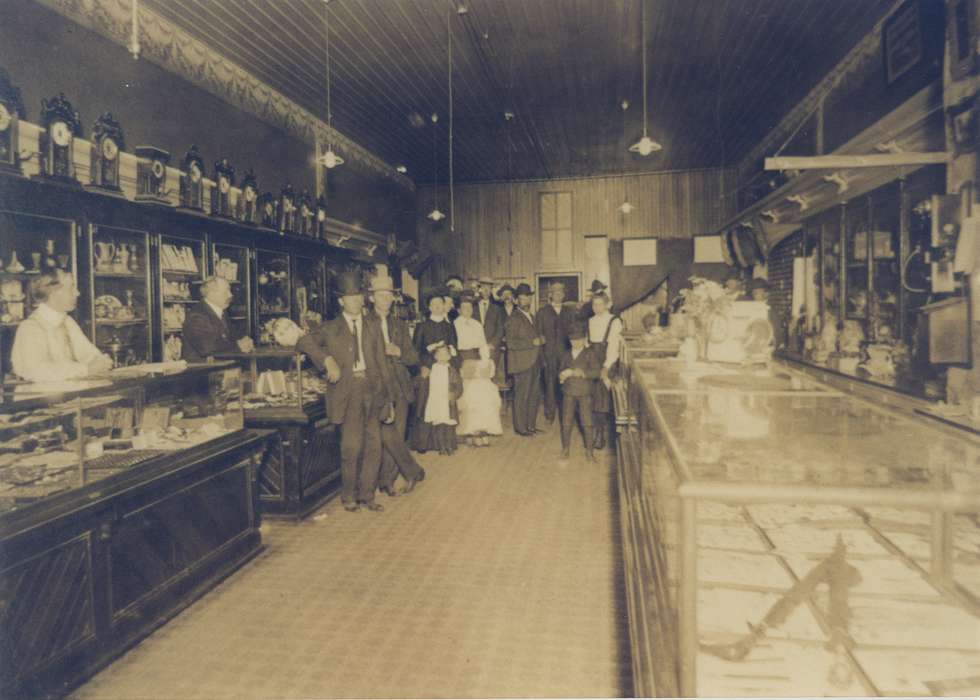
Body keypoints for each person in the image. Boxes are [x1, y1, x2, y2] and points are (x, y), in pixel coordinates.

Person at [297, 271, 393, 513]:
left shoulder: (372, 324)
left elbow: (382, 362)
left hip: (373, 390)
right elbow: (304, 342)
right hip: (347, 393)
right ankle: (348, 495)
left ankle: (367, 495)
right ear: (341, 301)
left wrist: (387, 398)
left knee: (374, 446)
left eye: (359, 296)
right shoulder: (329, 328)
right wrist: (326, 359)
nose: (358, 301)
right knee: (351, 446)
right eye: (351, 297)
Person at [368, 274, 426, 497]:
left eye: (388, 296)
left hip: (400, 386)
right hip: (377, 386)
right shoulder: (365, 323)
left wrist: (399, 351)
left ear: (393, 299)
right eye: (380, 295)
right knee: (385, 434)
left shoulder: (399, 325)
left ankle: (386, 482)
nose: (385, 299)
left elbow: (413, 357)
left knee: (397, 433)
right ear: (372, 298)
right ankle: (413, 471)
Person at [10, 269, 113, 382]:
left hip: (69, 394)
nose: (77, 293)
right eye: (71, 287)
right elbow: (36, 370)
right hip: (40, 397)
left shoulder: (68, 321)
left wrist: (102, 361)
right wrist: (85, 369)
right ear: (53, 292)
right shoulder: (30, 328)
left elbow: (89, 354)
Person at [411, 289, 458, 452]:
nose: (438, 307)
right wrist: (422, 366)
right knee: (425, 405)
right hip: (428, 371)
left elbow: (454, 348)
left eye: (440, 304)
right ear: (429, 307)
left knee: (445, 405)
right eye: (434, 304)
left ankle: (443, 444)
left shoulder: (449, 326)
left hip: (444, 371)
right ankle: (423, 443)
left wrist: (450, 360)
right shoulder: (422, 326)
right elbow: (415, 351)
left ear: (444, 306)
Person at [182, 276, 254, 361]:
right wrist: (238, 345)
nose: (230, 295)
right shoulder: (197, 316)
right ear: (212, 293)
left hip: (221, 368)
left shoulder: (222, 313)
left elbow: (230, 337)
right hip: (202, 371)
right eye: (226, 291)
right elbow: (207, 347)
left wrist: (244, 340)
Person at [505, 282, 545, 436]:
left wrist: (540, 339)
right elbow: (510, 342)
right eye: (522, 298)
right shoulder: (513, 318)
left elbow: (534, 338)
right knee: (522, 395)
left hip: (534, 362)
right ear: (516, 301)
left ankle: (531, 426)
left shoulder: (531, 317)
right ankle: (521, 428)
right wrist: (532, 342)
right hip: (521, 363)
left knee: (534, 395)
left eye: (528, 298)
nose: (526, 301)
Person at [558, 322, 601, 462]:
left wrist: (581, 373)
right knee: (566, 422)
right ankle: (565, 450)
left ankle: (589, 452)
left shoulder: (590, 354)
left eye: (578, 340)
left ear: (584, 340)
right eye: (572, 340)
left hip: (584, 393)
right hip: (568, 393)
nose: (575, 342)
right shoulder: (565, 354)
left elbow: (596, 372)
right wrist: (561, 376)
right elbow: (560, 370)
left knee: (587, 422)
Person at [535, 281, 576, 424]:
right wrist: (542, 357)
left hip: (565, 355)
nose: (558, 295)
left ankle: (566, 414)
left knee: (566, 384)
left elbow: (574, 334)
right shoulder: (542, 312)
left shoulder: (570, 312)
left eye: (561, 293)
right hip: (549, 355)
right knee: (550, 385)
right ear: (550, 295)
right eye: (555, 293)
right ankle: (550, 413)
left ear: (563, 295)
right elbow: (538, 335)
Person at [588, 290, 623, 450]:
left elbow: (614, 347)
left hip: (608, 361)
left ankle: (604, 435)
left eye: (600, 304)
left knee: (605, 399)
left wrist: (606, 367)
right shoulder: (591, 321)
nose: (597, 307)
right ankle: (598, 432)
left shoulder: (614, 321)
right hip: (593, 362)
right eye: (594, 304)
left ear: (608, 304)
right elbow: (590, 344)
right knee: (594, 399)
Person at [419, 342, 462, 455]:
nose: (442, 357)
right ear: (435, 356)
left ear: (449, 356)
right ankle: (441, 447)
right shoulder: (432, 369)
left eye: (445, 354)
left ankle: (449, 446)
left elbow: (458, 386)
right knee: (439, 426)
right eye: (440, 354)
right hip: (436, 401)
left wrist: (454, 394)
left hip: (447, 402)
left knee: (448, 426)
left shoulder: (452, 370)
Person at [458, 344, 502, 447]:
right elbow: (465, 375)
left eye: (488, 352)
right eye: (483, 351)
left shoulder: (491, 362)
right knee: (474, 410)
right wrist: (475, 375)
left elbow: (491, 375)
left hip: (487, 387)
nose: (486, 354)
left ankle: (484, 433)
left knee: (487, 410)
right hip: (474, 387)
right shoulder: (470, 363)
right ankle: (473, 434)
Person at [453, 293, 487, 362]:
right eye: (464, 307)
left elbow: (483, 344)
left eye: (470, 307)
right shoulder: (455, 324)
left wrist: (485, 359)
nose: (468, 309)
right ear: (459, 310)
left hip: (477, 356)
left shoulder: (477, 324)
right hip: (461, 356)